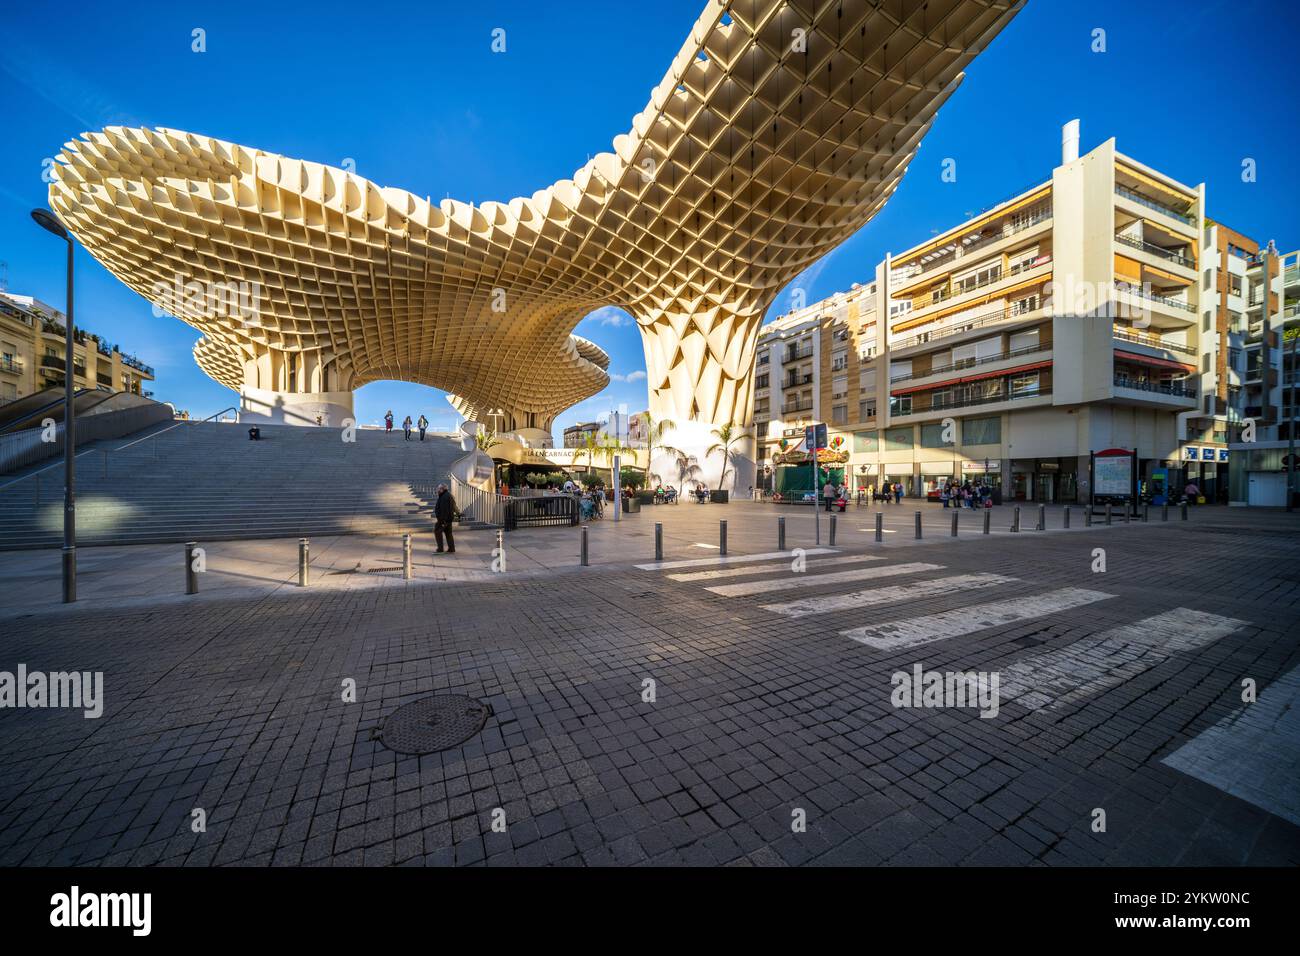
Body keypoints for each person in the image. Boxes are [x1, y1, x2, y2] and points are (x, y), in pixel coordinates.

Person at [433, 483, 456, 553]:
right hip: (448, 519)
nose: (437, 490)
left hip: (443, 519)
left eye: (439, 488)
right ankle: (451, 548)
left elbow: (444, 510)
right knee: (448, 533)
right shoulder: (448, 495)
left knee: (437, 532)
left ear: (443, 489)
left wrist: (442, 521)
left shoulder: (444, 497)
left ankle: (440, 549)